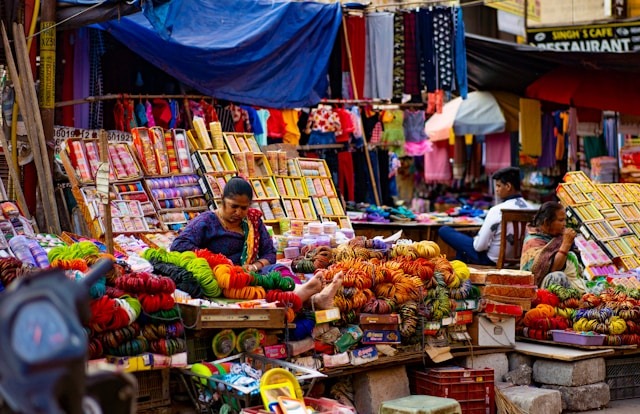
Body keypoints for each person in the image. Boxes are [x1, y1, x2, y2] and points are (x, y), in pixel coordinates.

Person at [171, 176, 276, 272]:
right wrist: (217, 261)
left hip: (247, 277)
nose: (238, 212)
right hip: (215, 277)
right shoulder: (206, 221)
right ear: (222, 199)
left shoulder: (253, 221)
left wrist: (254, 267)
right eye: (234, 206)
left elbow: (270, 253)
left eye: (244, 208)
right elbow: (179, 245)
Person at [438, 167, 534, 265]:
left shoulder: (497, 210)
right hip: (519, 261)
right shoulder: (532, 209)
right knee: (463, 249)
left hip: (492, 261)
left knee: (444, 230)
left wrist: (476, 239)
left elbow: (479, 247)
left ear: (508, 186)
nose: (496, 190)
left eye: (498, 186)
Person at [521, 201, 584, 290]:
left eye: (565, 220)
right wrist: (566, 244)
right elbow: (554, 268)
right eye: (561, 220)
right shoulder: (533, 241)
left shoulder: (558, 237)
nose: (565, 224)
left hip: (567, 286)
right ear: (547, 222)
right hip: (539, 289)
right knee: (557, 277)